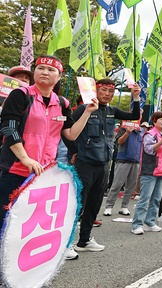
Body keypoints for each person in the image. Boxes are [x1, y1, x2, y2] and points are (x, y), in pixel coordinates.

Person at [0, 55, 98, 232]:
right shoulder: (20, 95)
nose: (45, 72)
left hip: (44, 174)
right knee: (5, 219)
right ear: (34, 72)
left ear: (59, 76)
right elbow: (9, 129)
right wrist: (26, 159)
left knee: (28, 224)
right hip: (16, 170)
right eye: (41, 68)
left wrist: (87, 113)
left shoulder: (61, 103)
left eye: (51, 70)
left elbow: (70, 135)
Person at [70, 78, 141, 253]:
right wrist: (73, 152)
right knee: (77, 204)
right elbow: (68, 131)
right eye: (104, 90)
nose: (107, 94)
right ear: (95, 91)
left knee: (94, 204)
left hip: (104, 164)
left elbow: (134, 116)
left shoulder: (111, 111)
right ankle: (67, 243)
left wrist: (137, 97)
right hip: (84, 163)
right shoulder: (82, 109)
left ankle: (84, 240)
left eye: (111, 92)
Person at [131, 112, 162, 235]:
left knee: (156, 199)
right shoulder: (150, 134)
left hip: (160, 170)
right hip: (150, 170)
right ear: (154, 121)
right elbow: (149, 149)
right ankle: (137, 224)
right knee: (145, 198)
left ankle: (149, 221)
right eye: (161, 119)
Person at [103, 121, 144, 217]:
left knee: (131, 185)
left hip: (136, 161)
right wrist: (127, 133)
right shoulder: (124, 128)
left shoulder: (141, 130)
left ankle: (124, 206)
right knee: (117, 184)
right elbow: (119, 142)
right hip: (123, 159)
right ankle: (109, 206)